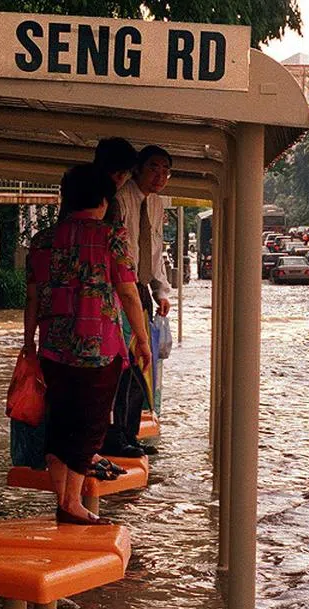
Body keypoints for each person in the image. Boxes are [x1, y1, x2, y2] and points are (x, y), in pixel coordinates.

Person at [22, 164, 152, 526]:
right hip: (98, 346)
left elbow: (32, 297)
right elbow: (127, 292)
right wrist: (142, 339)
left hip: (53, 346)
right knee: (91, 423)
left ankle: (65, 501)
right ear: (103, 199)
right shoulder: (110, 236)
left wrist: (29, 342)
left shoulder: (43, 240)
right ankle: (72, 504)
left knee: (61, 420)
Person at [102, 145, 173, 457]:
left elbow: (155, 250)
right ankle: (114, 435)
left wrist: (162, 292)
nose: (160, 176)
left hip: (141, 288)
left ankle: (129, 434)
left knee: (139, 365)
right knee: (121, 365)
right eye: (154, 168)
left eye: (166, 171)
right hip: (118, 285)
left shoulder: (156, 204)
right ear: (138, 169)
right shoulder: (120, 199)